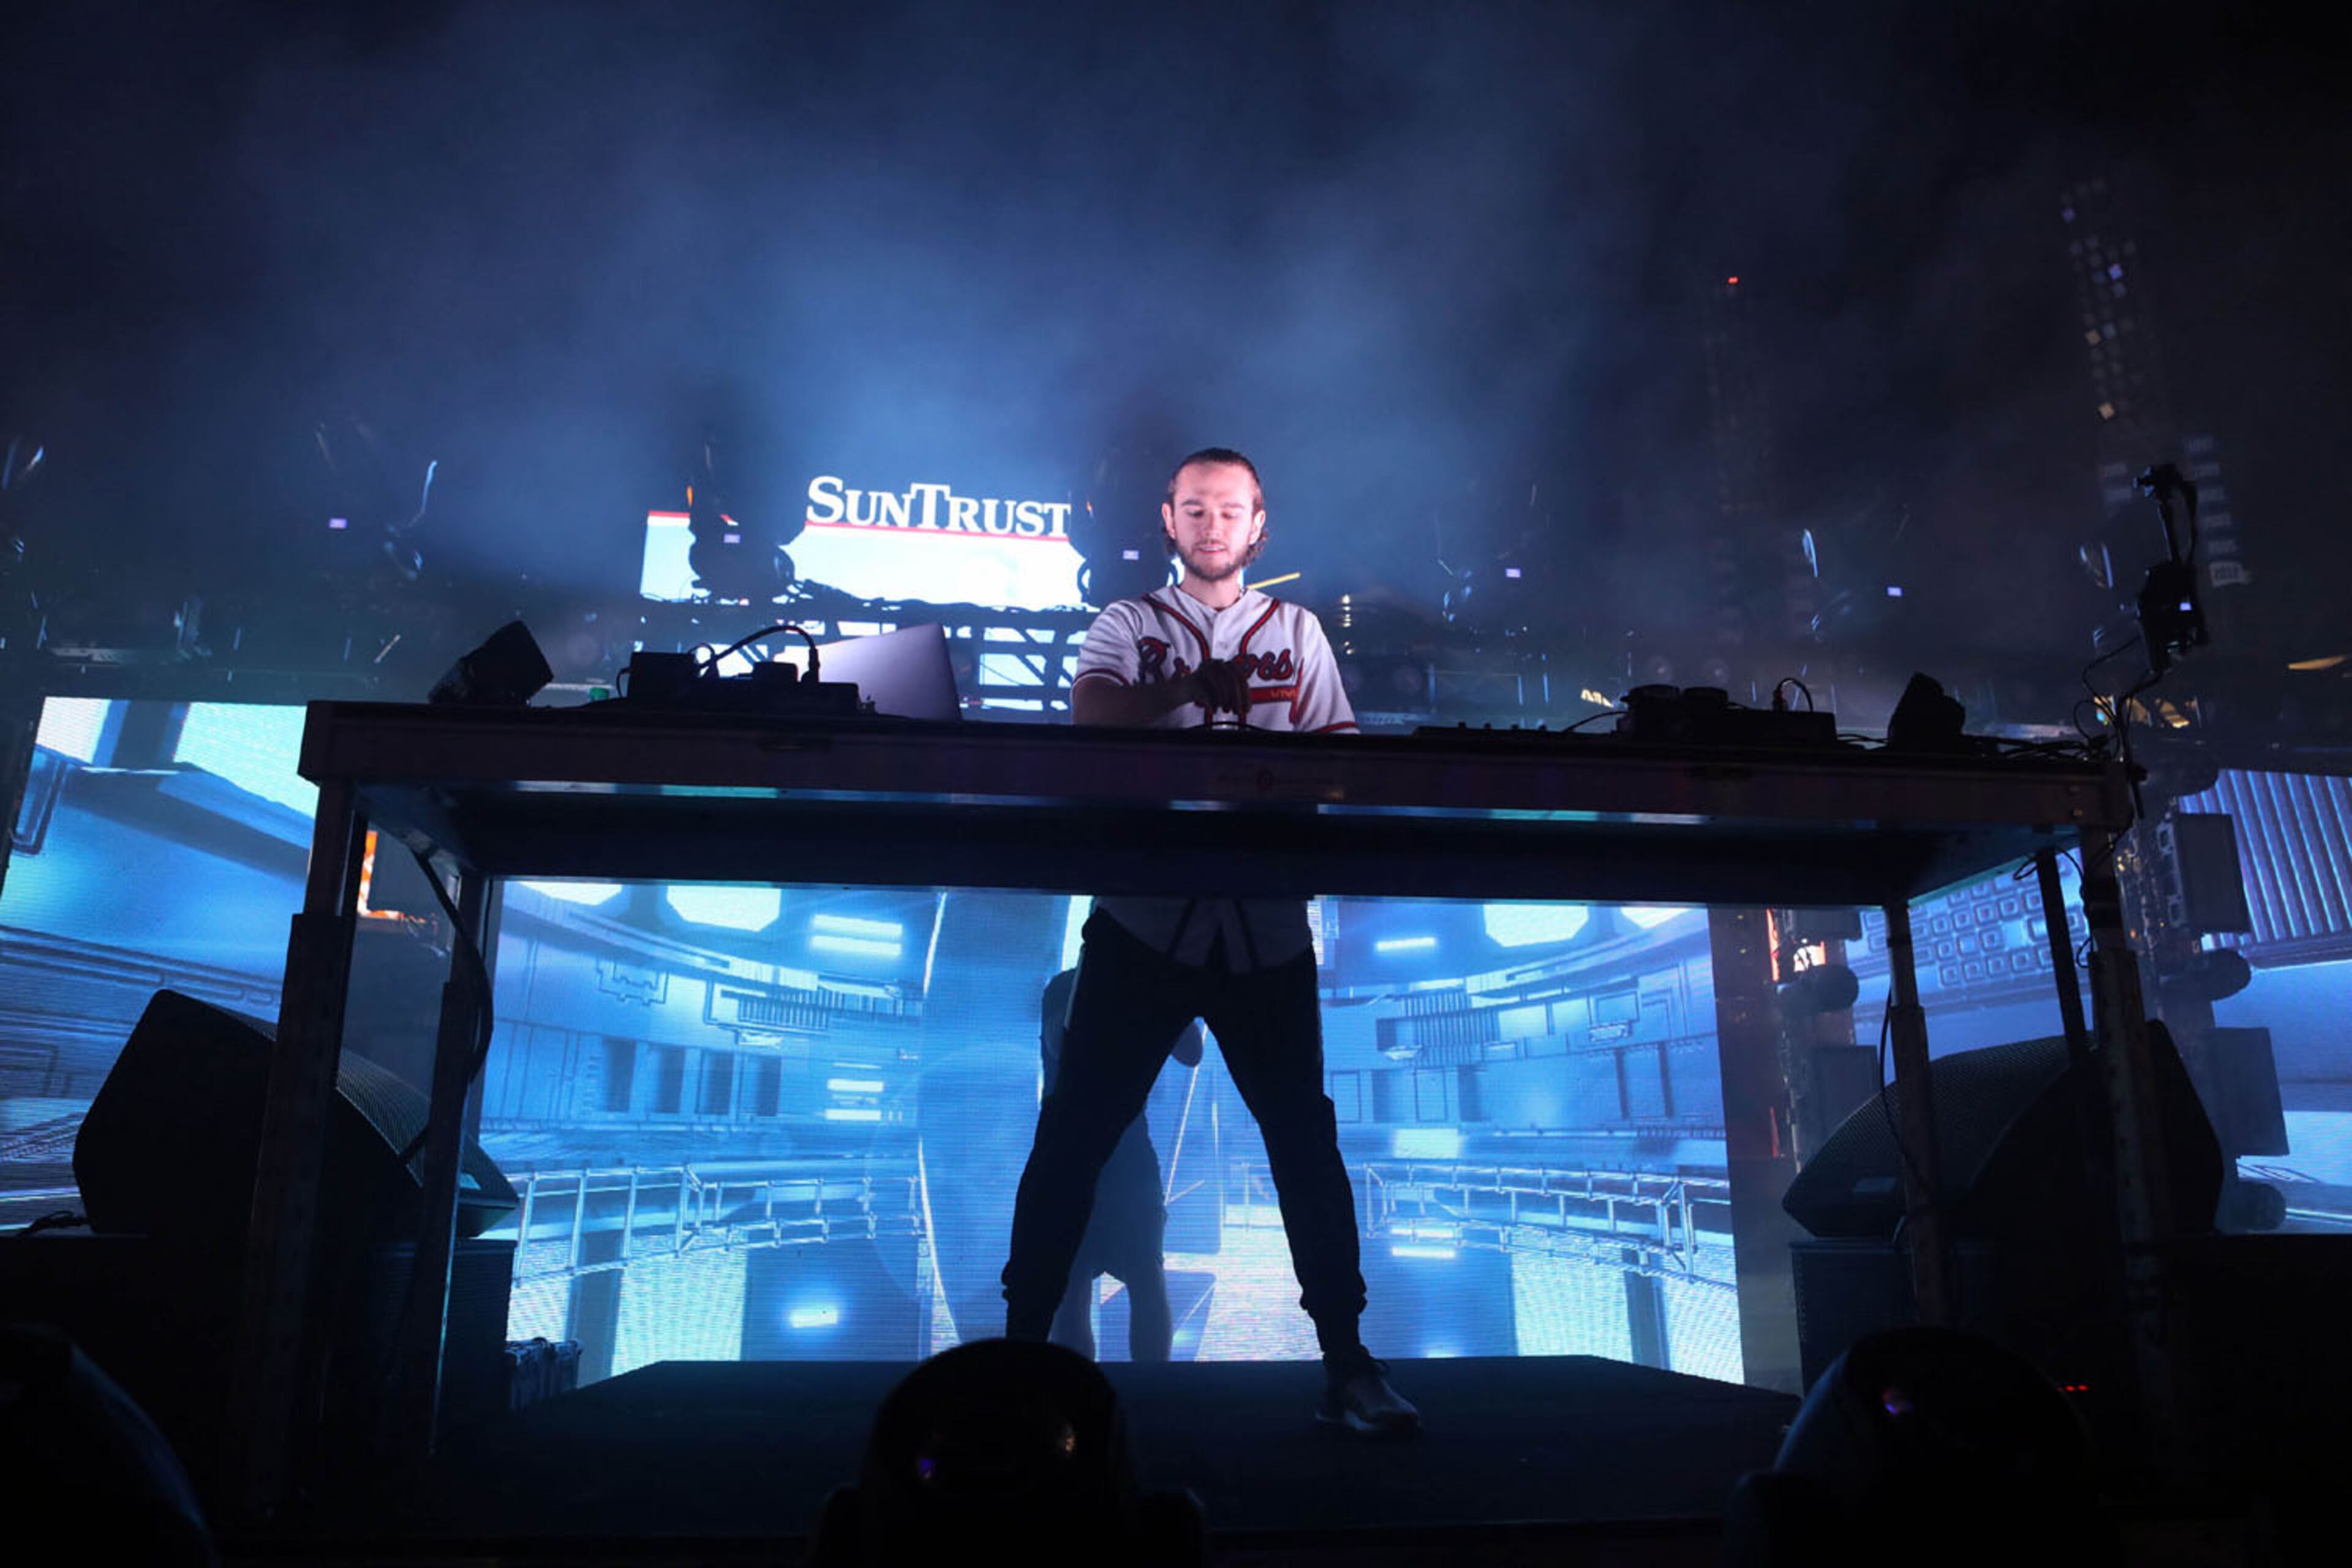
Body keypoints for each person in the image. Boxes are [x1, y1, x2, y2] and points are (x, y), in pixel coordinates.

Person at [1002, 447, 1419, 1435]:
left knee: (1303, 1145)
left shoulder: (1300, 631)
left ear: (1259, 526)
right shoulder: (1129, 624)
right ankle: (1017, 1365)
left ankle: (1349, 1365)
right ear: (1170, 521)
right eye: (1196, 508)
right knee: (1073, 1135)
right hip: (1145, 914)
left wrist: (1273, 778)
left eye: (1231, 510)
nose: (1213, 524)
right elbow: (1094, 714)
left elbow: (1341, 763)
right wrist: (1192, 687)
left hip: (1265, 920)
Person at [1039, 967, 1202, 1363]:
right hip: (1084, 1155)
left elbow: (1191, 1052)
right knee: (1088, 1284)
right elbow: (1061, 1043)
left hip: (1101, 1153)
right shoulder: (1070, 985)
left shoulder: (1130, 985)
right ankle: (1117, 1395)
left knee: (1135, 1278)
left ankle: (1146, 1393)